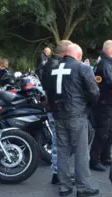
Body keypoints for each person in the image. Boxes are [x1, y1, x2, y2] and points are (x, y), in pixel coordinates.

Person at [46, 43, 100, 197]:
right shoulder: (82, 68)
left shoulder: (53, 68)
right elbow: (94, 92)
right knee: (81, 151)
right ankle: (83, 186)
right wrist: (88, 105)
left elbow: (48, 91)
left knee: (62, 150)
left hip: (58, 114)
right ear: (78, 55)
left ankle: (64, 186)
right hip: (77, 114)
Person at [41, 39, 72, 185]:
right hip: (57, 108)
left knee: (60, 141)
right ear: (65, 52)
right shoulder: (57, 65)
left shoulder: (50, 64)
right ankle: (58, 173)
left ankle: (60, 171)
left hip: (54, 107)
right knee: (59, 142)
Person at [90, 40, 112, 171]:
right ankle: (94, 160)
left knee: (110, 132)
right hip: (104, 103)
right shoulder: (106, 64)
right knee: (102, 133)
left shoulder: (100, 61)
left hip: (103, 102)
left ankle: (105, 156)